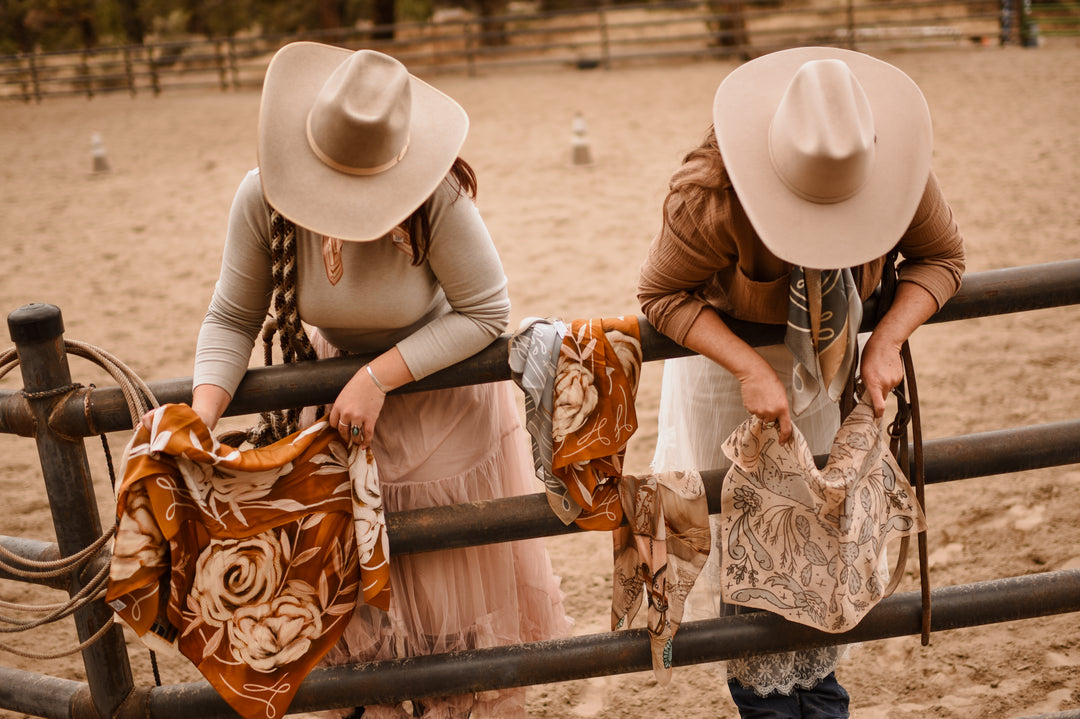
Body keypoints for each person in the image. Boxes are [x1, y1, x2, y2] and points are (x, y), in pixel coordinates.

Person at [187, 42, 569, 718]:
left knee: (443, 609)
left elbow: (487, 312)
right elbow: (230, 316)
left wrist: (377, 375)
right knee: (356, 610)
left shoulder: (435, 201)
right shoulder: (264, 198)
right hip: (340, 413)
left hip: (437, 403)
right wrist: (199, 418)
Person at [637, 47, 965, 718]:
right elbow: (661, 294)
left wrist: (890, 338)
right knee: (754, 550)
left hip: (834, 366)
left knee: (816, 542)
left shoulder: (894, 170)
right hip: (727, 376)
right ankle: (788, 703)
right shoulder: (710, 193)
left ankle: (810, 698)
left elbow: (942, 256)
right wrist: (750, 366)